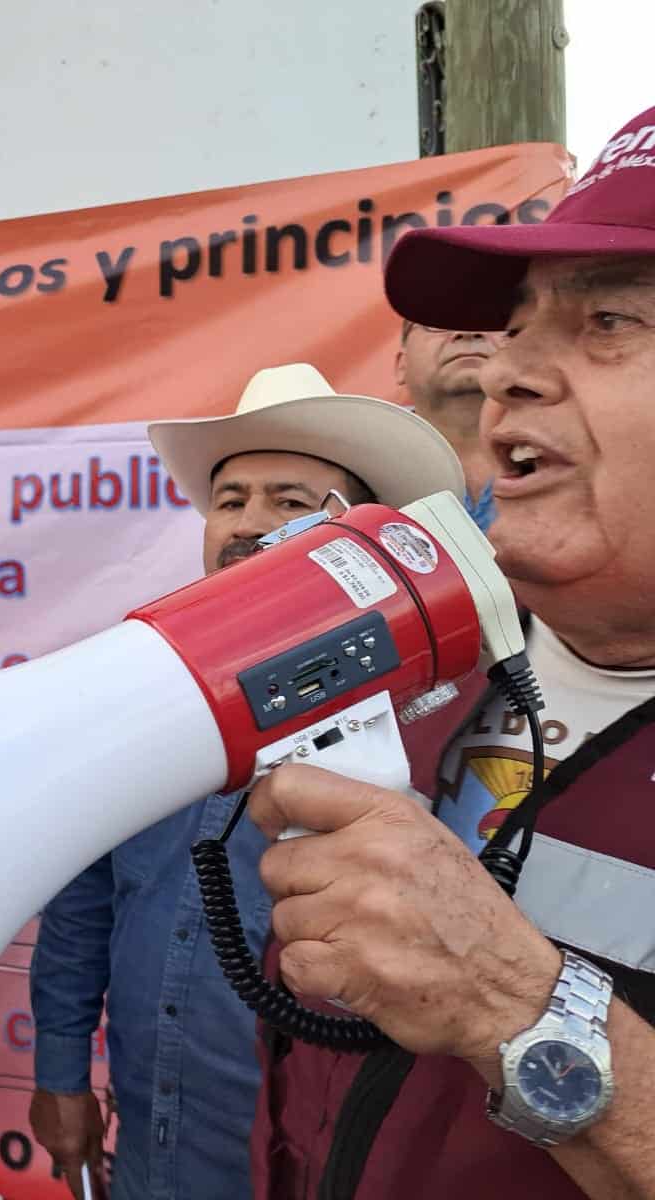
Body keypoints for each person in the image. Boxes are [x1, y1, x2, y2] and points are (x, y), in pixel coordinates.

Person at [249, 103, 655, 1199]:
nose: (504, 373)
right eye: (516, 325)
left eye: (608, 321)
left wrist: (513, 1008)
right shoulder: (421, 669)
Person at [27, 365, 465, 1199]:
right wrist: (60, 1072)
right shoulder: (133, 685)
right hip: (155, 1139)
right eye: (230, 502)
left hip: (322, 1156)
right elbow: (83, 901)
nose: (248, 525)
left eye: (289, 502)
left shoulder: (431, 707)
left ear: (355, 538)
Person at [396, 319, 501, 529]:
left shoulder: (577, 449)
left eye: (492, 318)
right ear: (401, 365)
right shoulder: (349, 463)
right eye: (439, 322)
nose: (467, 331)